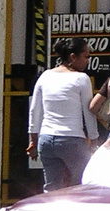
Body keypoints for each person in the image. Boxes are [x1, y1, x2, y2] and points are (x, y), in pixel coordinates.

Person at [28, 37, 98, 191]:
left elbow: (35, 110)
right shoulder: (81, 79)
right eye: (86, 56)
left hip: (46, 140)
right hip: (72, 139)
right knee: (82, 184)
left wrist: (33, 140)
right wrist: (93, 139)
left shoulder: (45, 76)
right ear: (73, 57)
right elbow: (88, 111)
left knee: (52, 187)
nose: (87, 61)